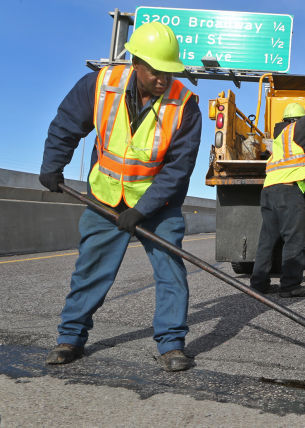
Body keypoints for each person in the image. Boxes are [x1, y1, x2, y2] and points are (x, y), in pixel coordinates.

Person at [38, 22, 202, 371]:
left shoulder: (185, 105)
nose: (164, 79)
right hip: (105, 197)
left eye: (169, 72)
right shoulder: (100, 86)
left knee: (170, 272)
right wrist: (53, 164)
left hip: (158, 205)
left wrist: (142, 210)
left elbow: (178, 169)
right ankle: (70, 338)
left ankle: (172, 344)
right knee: (91, 270)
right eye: (156, 71)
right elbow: (68, 123)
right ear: (136, 63)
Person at [250, 81, 305, 298]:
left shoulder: (279, 138)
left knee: (268, 239)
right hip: (288, 192)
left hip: (269, 192)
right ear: (299, 120)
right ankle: (290, 286)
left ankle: (259, 284)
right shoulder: (299, 128)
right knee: (294, 239)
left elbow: (302, 150)